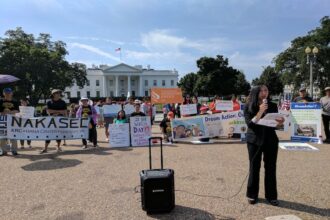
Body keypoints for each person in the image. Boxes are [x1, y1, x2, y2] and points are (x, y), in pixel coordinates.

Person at [244, 85, 284, 206]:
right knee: (254, 168)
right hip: (254, 140)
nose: (264, 92)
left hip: (271, 140)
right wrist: (260, 110)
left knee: (271, 168)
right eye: (261, 90)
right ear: (256, 92)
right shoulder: (249, 105)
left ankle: (271, 196)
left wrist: (280, 123)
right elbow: (250, 124)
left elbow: (275, 125)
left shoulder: (272, 105)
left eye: (266, 90)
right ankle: (252, 195)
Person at [40, 89, 67, 154]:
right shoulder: (49, 102)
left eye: (59, 93)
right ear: (53, 95)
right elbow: (49, 111)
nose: (58, 94)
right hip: (51, 121)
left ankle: (58, 146)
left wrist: (56, 113)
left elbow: (65, 112)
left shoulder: (63, 102)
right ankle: (45, 148)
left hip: (60, 121)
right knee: (48, 134)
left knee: (59, 134)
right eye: (56, 93)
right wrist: (59, 111)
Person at [0, 88, 19, 156]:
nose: (7, 94)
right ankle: (3, 151)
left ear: (12, 93)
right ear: (3, 94)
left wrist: (10, 112)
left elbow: (17, 111)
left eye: (9, 93)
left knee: (13, 136)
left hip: (12, 121)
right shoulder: (0, 101)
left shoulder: (15, 101)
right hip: (2, 120)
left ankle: (14, 150)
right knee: (2, 136)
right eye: (6, 93)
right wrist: (3, 112)